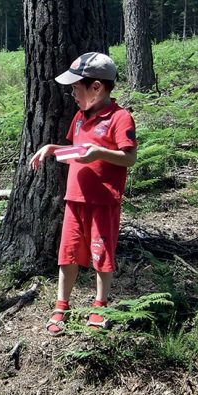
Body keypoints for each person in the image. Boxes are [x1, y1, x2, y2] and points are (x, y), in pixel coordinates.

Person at [29, 52, 138, 335]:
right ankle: (61, 304)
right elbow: (75, 150)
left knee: (102, 255)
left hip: (103, 201)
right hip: (74, 199)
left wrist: (100, 153)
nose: (72, 93)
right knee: (68, 254)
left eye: (76, 88)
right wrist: (52, 149)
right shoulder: (79, 117)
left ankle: (100, 304)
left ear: (97, 87)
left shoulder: (120, 118)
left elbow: (129, 157)